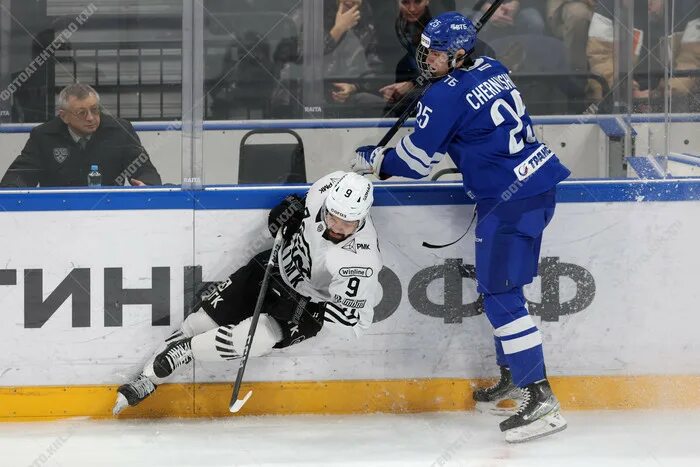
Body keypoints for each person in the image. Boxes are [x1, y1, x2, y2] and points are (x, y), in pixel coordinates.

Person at [352, 12, 570, 442]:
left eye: (435, 52)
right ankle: (512, 376)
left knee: (501, 294)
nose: (427, 57)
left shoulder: (442, 97)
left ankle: (540, 397)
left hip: (509, 202)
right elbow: (463, 96)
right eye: (427, 49)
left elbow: (415, 163)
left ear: (457, 54)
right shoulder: (493, 67)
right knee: (507, 290)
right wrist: (424, 91)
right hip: (537, 187)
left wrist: (376, 160)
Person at [113, 171, 382, 414]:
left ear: (363, 216)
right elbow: (298, 208)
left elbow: (354, 323)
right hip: (273, 267)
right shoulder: (325, 187)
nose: (336, 227)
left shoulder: (359, 263)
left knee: (258, 339)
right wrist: (288, 214)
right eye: (332, 216)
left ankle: (189, 351)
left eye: (347, 223)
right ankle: (147, 379)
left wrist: (315, 311)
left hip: (305, 304)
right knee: (197, 324)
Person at [0, 83, 161, 187]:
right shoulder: (43, 135)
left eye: (95, 110)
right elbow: (21, 173)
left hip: (109, 210)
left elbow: (145, 170)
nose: (91, 118)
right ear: (64, 116)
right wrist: (12, 189)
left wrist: (147, 185)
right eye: (81, 113)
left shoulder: (120, 130)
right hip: (56, 214)